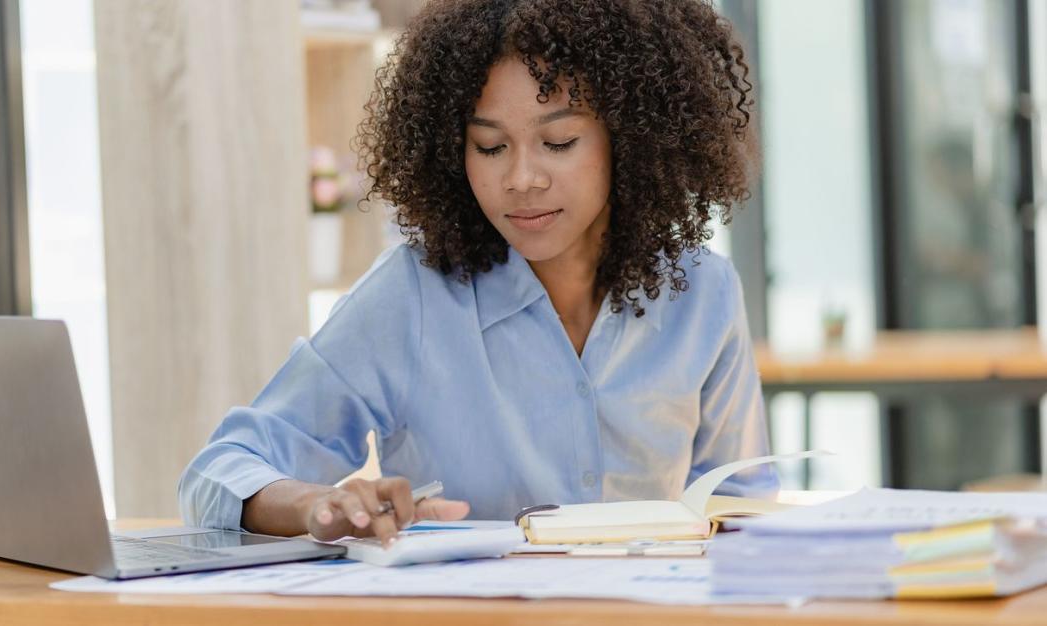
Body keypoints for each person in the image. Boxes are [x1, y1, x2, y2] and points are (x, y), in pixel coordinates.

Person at [180, 0, 777, 547]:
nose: (521, 179)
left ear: (631, 139)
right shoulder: (412, 296)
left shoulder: (705, 293)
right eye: (489, 147)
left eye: (559, 141)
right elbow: (218, 473)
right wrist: (318, 503)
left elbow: (740, 508)